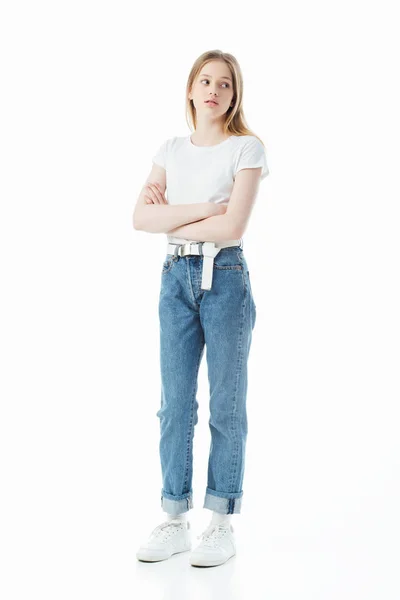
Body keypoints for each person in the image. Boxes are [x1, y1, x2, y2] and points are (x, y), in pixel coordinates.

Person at [133, 50, 269, 567]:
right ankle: (173, 517)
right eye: (205, 81)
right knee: (174, 405)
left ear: (234, 97)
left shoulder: (246, 149)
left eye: (226, 84)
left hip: (226, 277)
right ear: (191, 90)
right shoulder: (170, 148)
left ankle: (220, 521)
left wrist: (170, 216)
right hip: (175, 279)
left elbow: (233, 228)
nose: (214, 90)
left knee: (226, 404)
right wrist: (208, 208)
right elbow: (139, 219)